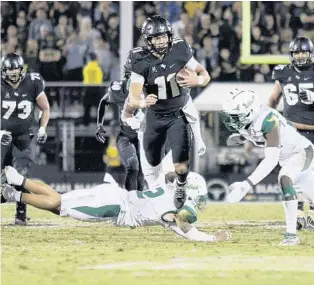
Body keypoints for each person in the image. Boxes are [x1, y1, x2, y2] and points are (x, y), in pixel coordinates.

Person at [222, 89, 314, 245]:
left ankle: (291, 236)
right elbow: (255, 134)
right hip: (291, 158)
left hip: (304, 152)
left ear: (250, 111)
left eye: (235, 117)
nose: (232, 121)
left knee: (285, 178)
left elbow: (271, 160)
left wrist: (246, 185)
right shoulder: (249, 122)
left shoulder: (269, 120)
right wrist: (242, 138)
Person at [1, 166, 232, 242]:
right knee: (58, 205)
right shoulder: (174, 209)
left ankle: (17, 180)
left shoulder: (171, 187)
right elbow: (186, 228)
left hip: (113, 195)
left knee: (57, 202)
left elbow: (172, 176)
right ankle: (13, 194)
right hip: (114, 207)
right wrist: (212, 238)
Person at [124, 15, 211, 209]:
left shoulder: (180, 48)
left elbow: (205, 75)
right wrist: (143, 102)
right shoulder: (139, 59)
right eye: (156, 37)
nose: (161, 41)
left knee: (180, 166)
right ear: (148, 40)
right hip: (154, 117)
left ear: (170, 36)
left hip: (177, 114)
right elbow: (133, 98)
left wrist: (196, 81)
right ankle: (158, 197)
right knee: (152, 163)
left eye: (163, 36)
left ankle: (180, 185)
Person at [268, 36, 314, 231]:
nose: (300, 55)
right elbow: (273, 100)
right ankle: (298, 215)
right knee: (293, 174)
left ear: (311, 53)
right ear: (291, 54)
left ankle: (313, 216)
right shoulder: (283, 73)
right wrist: (269, 119)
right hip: (291, 133)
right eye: (296, 52)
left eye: (303, 52)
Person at [1, 53, 50, 225]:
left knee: (21, 174)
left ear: (22, 69)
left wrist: (43, 128)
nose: (13, 72)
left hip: (23, 137)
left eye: (16, 68)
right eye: (10, 69)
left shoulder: (33, 82)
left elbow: (45, 108)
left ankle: (20, 214)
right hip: (2, 138)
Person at [96, 79, 145, 191]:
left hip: (143, 136)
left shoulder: (150, 93)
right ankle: (130, 199)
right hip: (127, 136)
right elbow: (104, 101)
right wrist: (100, 124)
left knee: (141, 172)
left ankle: (138, 200)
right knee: (133, 166)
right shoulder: (118, 92)